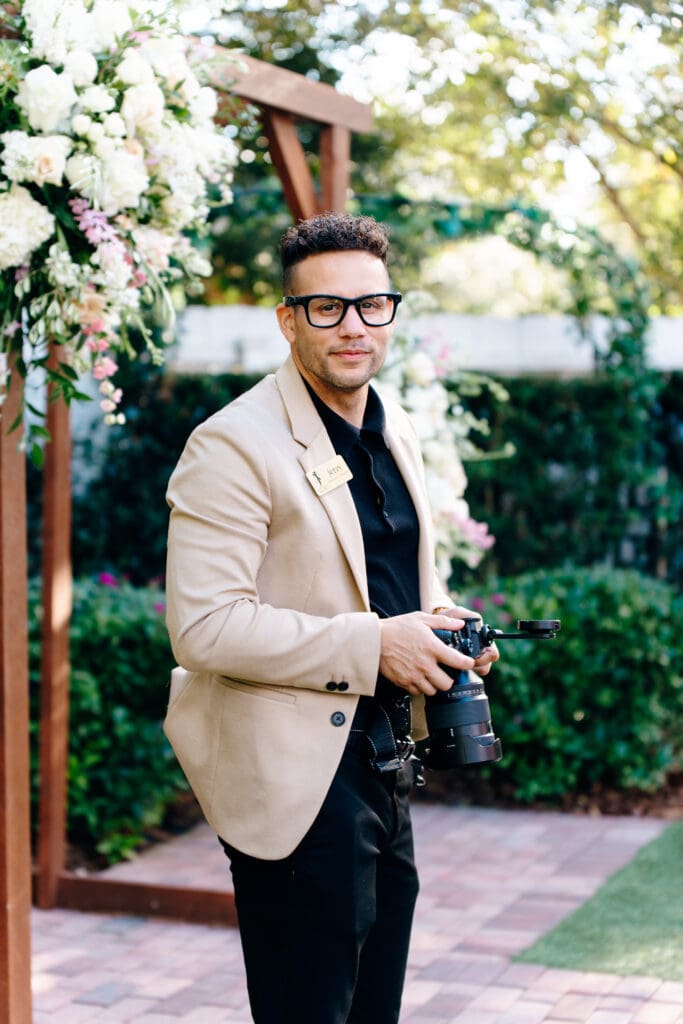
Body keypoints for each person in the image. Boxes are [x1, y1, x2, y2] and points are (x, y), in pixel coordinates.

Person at [163, 212, 499, 1024]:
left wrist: (436, 627)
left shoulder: (394, 426)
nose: (353, 327)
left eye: (371, 305)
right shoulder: (231, 444)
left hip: (388, 766)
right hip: (292, 781)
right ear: (288, 319)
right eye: (326, 308)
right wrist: (375, 643)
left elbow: (371, 578)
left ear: (391, 311)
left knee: (374, 1007)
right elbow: (203, 626)